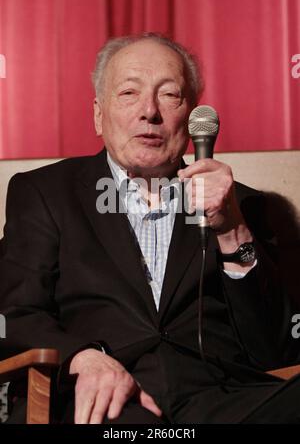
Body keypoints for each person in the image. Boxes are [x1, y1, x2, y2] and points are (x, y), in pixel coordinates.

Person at [0, 32, 299, 424]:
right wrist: (84, 358)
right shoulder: (45, 193)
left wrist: (232, 229)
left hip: (221, 400)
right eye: (128, 93)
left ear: (193, 117)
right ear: (98, 114)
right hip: (107, 402)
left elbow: (276, 349)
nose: (150, 112)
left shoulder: (239, 204)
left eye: (169, 95)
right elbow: (14, 313)